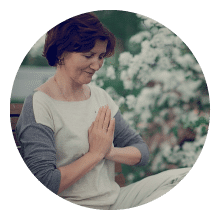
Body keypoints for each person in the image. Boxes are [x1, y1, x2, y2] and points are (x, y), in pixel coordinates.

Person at [16, 12, 191, 210]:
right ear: (61, 53)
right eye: (88, 55)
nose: (97, 65)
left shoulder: (100, 97)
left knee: (182, 177)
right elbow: (45, 182)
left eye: (101, 56)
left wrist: (109, 151)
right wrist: (95, 154)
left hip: (115, 201)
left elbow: (141, 152)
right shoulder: (40, 105)